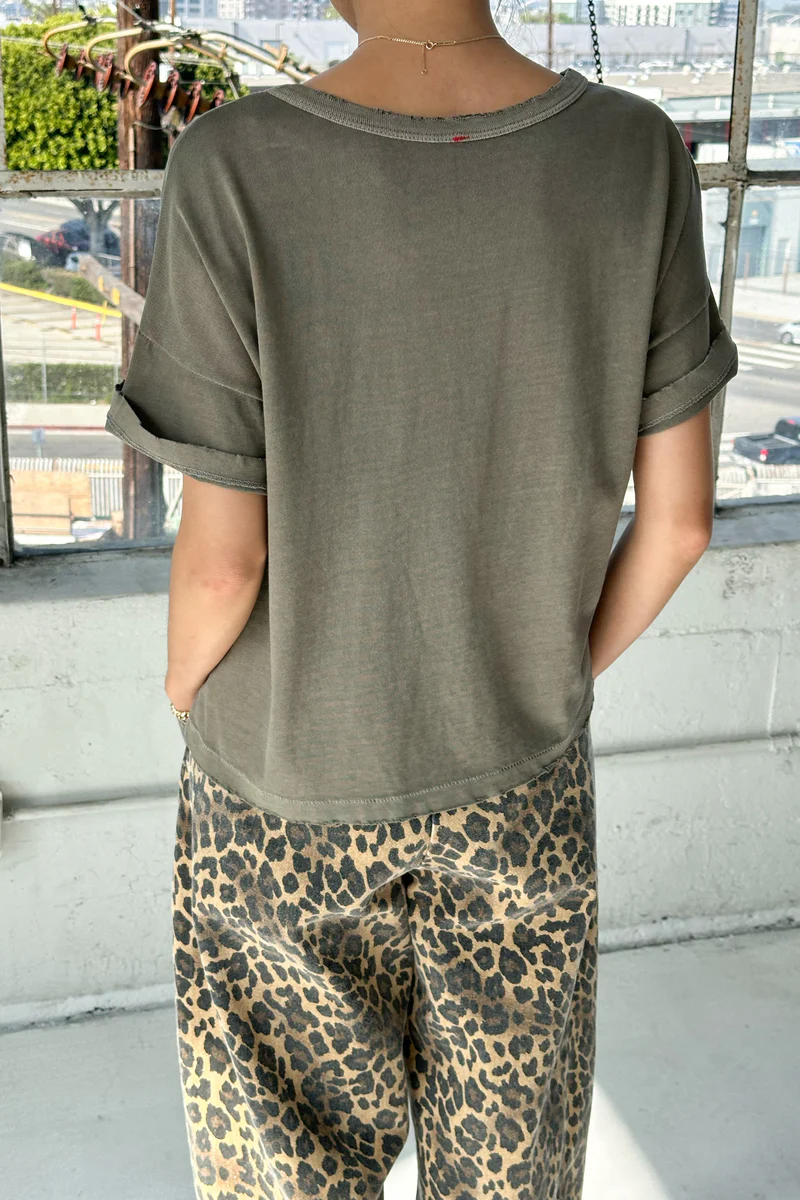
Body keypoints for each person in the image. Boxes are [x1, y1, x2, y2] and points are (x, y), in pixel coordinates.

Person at [104, 1, 738, 1196]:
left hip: (280, 786)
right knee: (509, 1163)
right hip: (517, 781)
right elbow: (678, 522)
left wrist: (187, 695)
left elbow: (224, 561)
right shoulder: (634, 154)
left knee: (282, 1167)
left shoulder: (234, 166)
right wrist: (536, 674)